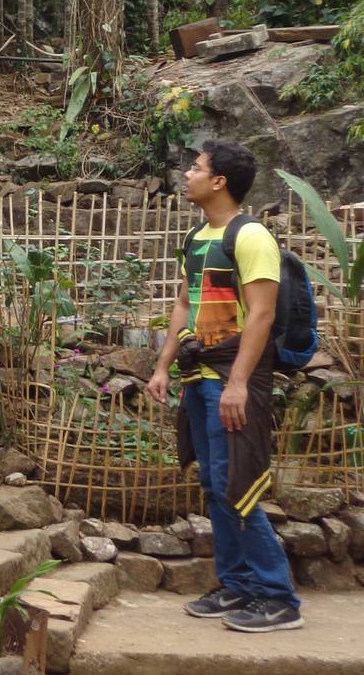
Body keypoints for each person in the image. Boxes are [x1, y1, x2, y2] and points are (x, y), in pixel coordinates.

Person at [146, 141, 303, 633]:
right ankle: (237, 585)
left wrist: (236, 383)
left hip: (232, 378)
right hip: (199, 376)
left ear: (219, 182)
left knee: (238, 485)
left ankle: (278, 597)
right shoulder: (197, 236)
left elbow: (262, 314)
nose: (186, 174)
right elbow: (183, 303)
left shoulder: (251, 236)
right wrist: (163, 365)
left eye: (196, 168)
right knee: (215, 484)